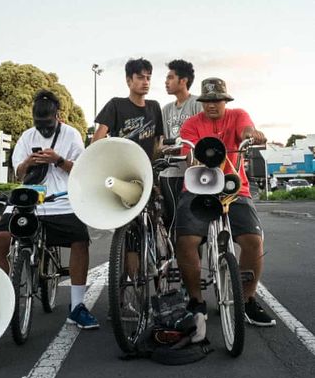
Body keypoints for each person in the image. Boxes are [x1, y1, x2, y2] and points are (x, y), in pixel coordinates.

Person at [0, 90, 99, 330]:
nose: (43, 128)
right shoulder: (27, 136)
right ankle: (4, 299)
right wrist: (28, 162)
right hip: (28, 198)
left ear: (57, 116)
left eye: (48, 123)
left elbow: (80, 171)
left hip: (61, 199)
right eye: (39, 124)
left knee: (80, 240)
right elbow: (18, 173)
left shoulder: (71, 135)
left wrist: (57, 160)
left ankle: (78, 306)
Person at [176, 77, 276, 328]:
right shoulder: (191, 124)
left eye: (217, 100)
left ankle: (247, 299)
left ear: (225, 101)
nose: (212, 105)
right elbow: (187, 152)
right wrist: (191, 158)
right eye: (207, 101)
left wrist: (251, 135)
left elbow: (246, 131)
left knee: (253, 241)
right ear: (201, 102)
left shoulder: (238, 115)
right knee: (186, 240)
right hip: (198, 187)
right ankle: (196, 301)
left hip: (233, 186)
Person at [160, 59, 202, 237]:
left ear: (183, 80)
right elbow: (161, 140)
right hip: (169, 173)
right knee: (170, 222)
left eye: (170, 77)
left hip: (190, 172)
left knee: (191, 227)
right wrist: (163, 148)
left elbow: (202, 135)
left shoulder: (197, 104)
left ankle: (193, 264)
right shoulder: (166, 109)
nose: (166, 82)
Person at [92, 57, 163, 160]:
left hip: (146, 169)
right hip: (121, 168)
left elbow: (158, 142)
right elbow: (96, 143)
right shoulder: (115, 104)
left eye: (148, 78)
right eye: (140, 77)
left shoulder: (154, 107)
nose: (145, 82)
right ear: (128, 80)